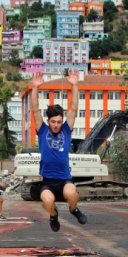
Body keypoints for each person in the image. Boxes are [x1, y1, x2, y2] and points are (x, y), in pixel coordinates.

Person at [30, 70, 88, 232]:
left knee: (73, 194)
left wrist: (75, 85)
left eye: (58, 122)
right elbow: (35, 110)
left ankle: (73, 210)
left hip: (64, 179)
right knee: (47, 202)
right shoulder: (42, 130)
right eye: (53, 122)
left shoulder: (66, 130)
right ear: (48, 121)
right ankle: (53, 216)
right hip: (47, 181)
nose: (56, 125)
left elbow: (74, 108)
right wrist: (35, 87)